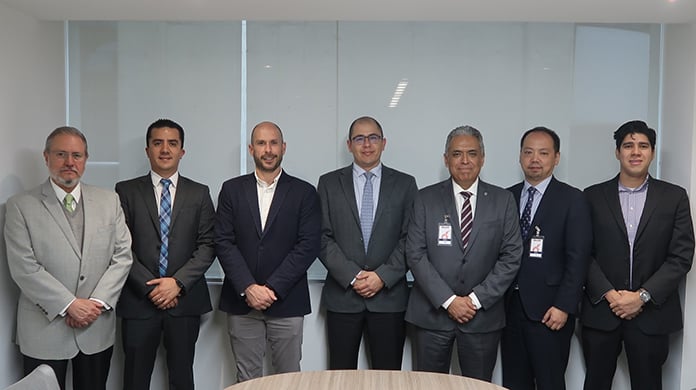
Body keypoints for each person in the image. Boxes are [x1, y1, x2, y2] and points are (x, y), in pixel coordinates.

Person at [4, 126, 133, 390]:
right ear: (46, 157)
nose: (69, 162)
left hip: (95, 327)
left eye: (77, 155)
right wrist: (69, 304)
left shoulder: (110, 201)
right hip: (44, 329)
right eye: (61, 154)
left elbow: (122, 256)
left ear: (86, 159)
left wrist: (95, 303)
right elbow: (24, 268)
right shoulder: (20, 205)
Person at [581, 120, 694, 390]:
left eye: (643, 146)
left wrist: (641, 297)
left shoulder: (674, 197)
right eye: (628, 145)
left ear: (652, 152)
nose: (635, 152)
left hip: (652, 315)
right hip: (601, 313)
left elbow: (681, 256)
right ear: (617, 152)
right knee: (595, 383)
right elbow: (582, 252)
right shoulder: (592, 196)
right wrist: (611, 295)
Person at [405, 125, 522, 381]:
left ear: (482, 157)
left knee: (478, 386)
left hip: (482, 318)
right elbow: (415, 253)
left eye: (472, 153)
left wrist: (474, 300)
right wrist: (449, 300)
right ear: (446, 159)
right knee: (427, 387)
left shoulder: (503, 200)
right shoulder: (425, 199)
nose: (465, 161)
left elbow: (511, 256)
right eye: (457, 154)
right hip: (432, 317)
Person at [215, 121, 321, 382]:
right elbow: (223, 241)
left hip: (287, 302)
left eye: (274, 143)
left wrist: (272, 288)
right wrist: (249, 287)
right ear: (251, 149)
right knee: (247, 380)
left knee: (288, 380)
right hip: (242, 302)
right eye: (261, 143)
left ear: (283, 147)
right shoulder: (231, 190)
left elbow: (308, 245)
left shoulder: (304, 192)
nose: (268, 149)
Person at [115, 119, 216, 390]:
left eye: (172, 143)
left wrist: (177, 283)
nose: (165, 149)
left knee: (182, 378)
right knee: (135, 379)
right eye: (157, 143)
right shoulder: (125, 191)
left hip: (184, 302)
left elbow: (208, 245)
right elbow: (119, 246)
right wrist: (150, 288)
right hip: (138, 300)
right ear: (147, 149)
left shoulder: (199, 192)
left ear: (182, 151)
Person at [317, 116, 417, 370]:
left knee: (387, 377)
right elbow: (321, 237)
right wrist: (353, 275)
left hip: (389, 298)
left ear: (384, 143)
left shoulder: (405, 184)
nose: (367, 144)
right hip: (343, 297)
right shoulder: (328, 183)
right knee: (340, 376)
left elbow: (411, 238)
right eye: (359, 139)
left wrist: (381, 277)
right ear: (349, 145)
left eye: (373, 138)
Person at [501, 127, 592, 390]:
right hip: (509, 308)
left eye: (543, 153)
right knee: (514, 383)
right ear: (520, 157)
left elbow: (578, 258)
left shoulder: (572, 199)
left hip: (550, 311)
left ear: (557, 158)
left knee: (550, 382)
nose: (535, 159)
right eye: (528, 152)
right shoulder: (507, 196)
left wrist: (564, 305)